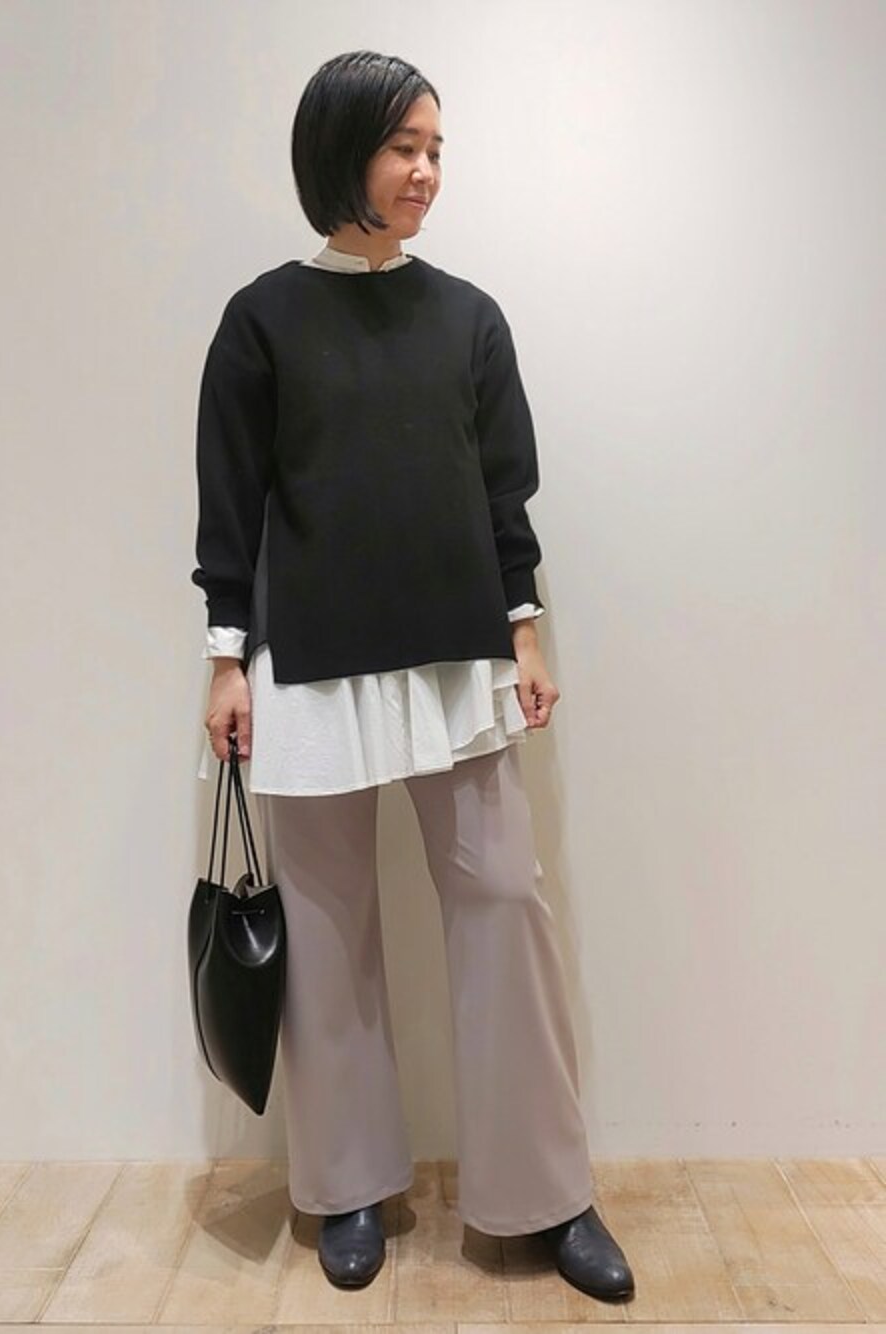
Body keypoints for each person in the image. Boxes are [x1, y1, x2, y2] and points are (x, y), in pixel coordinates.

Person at [191, 49, 635, 1304]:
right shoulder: (261, 319)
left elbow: (504, 495)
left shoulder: (468, 317)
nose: (427, 170)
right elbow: (230, 505)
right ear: (341, 151)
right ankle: (345, 1184)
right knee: (328, 931)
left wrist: (526, 635)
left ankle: (546, 1192)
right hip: (310, 662)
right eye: (403, 146)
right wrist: (225, 660)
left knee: (503, 901)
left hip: (456, 653)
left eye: (436, 148)